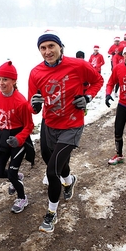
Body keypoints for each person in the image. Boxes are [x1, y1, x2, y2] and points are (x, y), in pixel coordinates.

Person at [28, 30, 103, 233]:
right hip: (49, 124)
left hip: (71, 125)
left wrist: (87, 97)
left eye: (51, 46)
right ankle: (69, 181)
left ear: (60, 47)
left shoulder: (78, 65)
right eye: (43, 48)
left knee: (52, 171)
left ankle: (51, 213)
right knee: (52, 160)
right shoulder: (35, 72)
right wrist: (34, 105)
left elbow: (98, 81)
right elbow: (32, 103)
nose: (47, 51)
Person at [0, 61, 35, 214]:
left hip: (18, 138)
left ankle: (22, 198)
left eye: (5, 79)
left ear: (14, 81)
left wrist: (18, 138)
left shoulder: (21, 102)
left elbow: (29, 126)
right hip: (2, 135)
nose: (1, 83)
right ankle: (17, 176)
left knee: (11, 173)